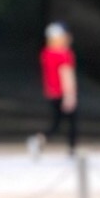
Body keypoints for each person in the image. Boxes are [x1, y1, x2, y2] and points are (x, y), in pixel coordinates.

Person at [35, 23, 79, 155]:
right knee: (71, 122)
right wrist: (70, 95)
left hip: (52, 93)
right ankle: (72, 148)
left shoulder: (45, 53)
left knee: (57, 122)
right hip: (64, 93)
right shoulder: (64, 54)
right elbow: (66, 74)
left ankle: (41, 139)